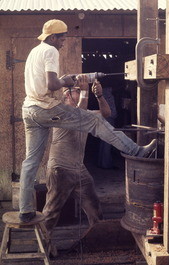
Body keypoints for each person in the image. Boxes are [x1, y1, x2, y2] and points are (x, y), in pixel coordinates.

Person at [19, 19, 157, 223]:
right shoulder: (50, 51)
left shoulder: (34, 52)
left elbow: (47, 82)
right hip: (45, 107)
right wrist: (66, 81)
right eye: (62, 37)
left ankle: (25, 210)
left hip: (29, 109)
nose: (64, 41)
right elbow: (52, 84)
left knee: (30, 161)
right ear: (53, 37)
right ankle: (137, 151)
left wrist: (75, 80)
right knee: (96, 122)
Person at [42, 76, 111, 256]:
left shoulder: (85, 113)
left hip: (79, 169)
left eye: (79, 90)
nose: (78, 91)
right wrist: (86, 91)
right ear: (66, 97)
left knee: (95, 209)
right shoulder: (61, 112)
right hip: (61, 169)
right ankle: (44, 247)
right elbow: (78, 113)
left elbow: (106, 114)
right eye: (74, 90)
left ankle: (98, 241)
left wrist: (100, 96)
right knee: (51, 212)